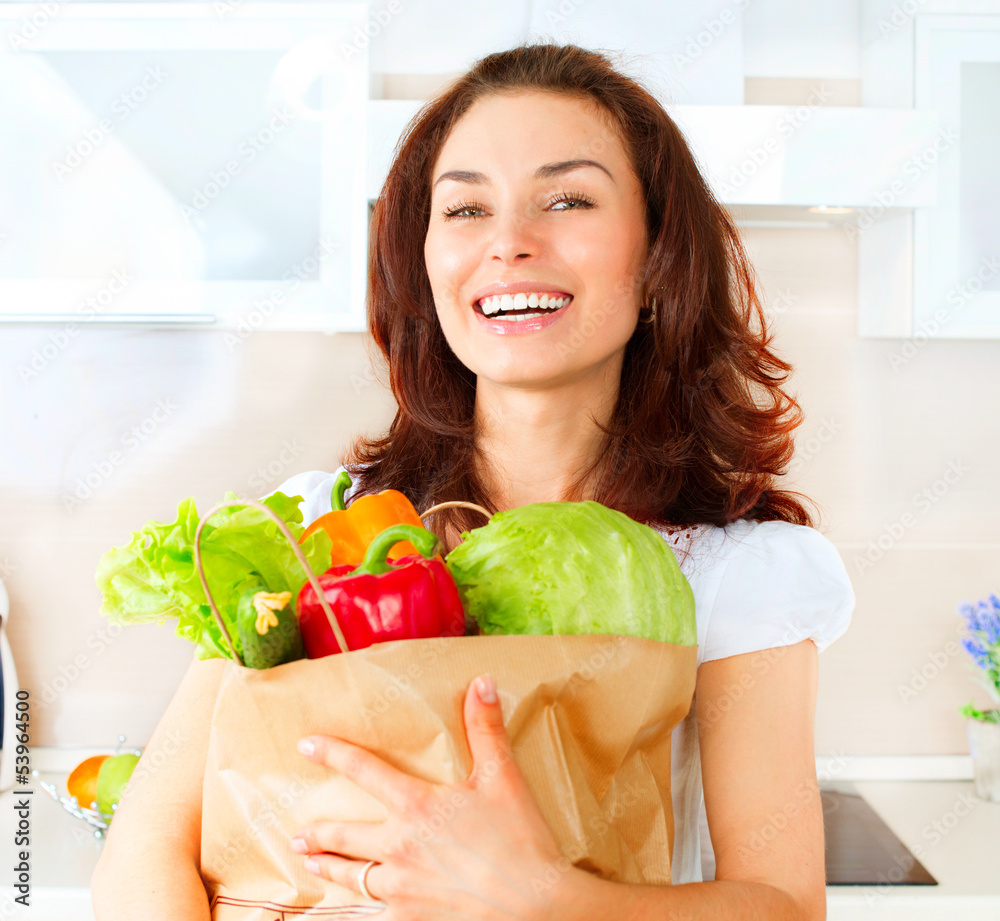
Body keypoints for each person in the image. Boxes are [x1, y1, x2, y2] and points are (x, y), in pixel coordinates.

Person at [91, 42, 853, 920]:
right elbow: (146, 852)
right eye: (464, 210)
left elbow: (782, 906)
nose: (509, 245)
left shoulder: (740, 572)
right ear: (424, 263)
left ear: (656, 262)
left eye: (568, 199)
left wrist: (545, 897)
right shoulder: (319, 525)